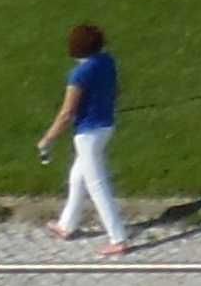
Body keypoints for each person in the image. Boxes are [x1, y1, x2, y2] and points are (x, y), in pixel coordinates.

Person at [39, 22, 132, 254]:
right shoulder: (107, 61)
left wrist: (47, 140)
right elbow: (116, 90)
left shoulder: (79, 74)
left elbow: (67, 113)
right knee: (77, 177)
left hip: (87, 134)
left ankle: (118, 238)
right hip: (105, 128)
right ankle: (66, 224)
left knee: (97, 185)